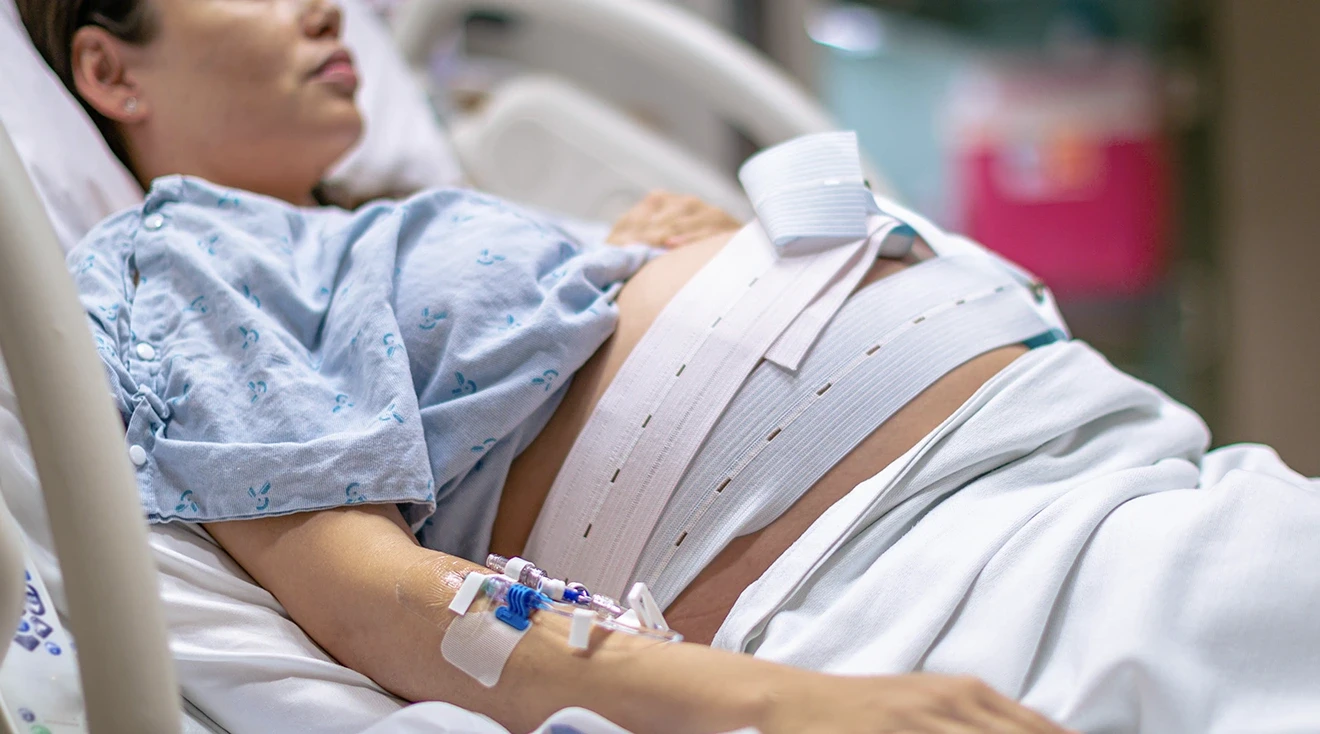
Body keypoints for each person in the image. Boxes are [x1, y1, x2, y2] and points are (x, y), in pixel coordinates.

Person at [21, 1, 1320, 734]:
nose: (321, 5)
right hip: (920, 574)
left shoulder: (395, 221)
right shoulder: (170, 263)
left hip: (1087, 462)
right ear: (105, 67)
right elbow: (377, 598)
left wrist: (625, 268)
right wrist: (787, 705)